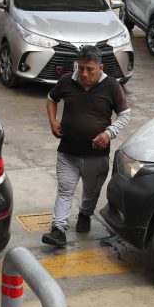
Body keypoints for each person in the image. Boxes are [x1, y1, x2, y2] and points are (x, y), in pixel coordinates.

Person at [42, 46, 131, 248]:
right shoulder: (67, 81)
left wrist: (109, 133)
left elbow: (125, 114)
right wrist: (53, 122)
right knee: (65, 191)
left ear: (100, 67)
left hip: (96, 156)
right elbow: (51, 98)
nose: (83, 74)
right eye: (80, 68)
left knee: (91, 192)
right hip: (68, 153)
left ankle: (85, 214)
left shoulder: (111, 86)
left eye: (89, 69)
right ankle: (58, 230)